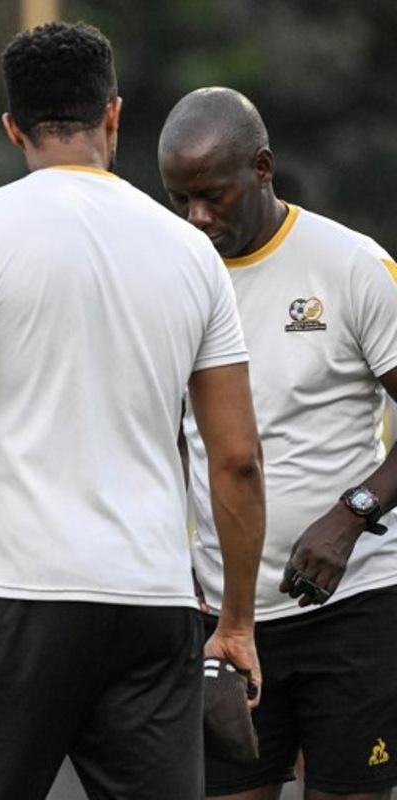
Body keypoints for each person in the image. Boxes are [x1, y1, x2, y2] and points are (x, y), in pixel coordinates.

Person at [0, 22, 266, 800]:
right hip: (153, 608)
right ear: (114, 116)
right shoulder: (192, 252)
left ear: (13, 127)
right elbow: (237, 459)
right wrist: (236, 624)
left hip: (19, 600)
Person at [159, 87, 397, 800]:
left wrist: (350, 515)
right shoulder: (171, 277)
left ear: (261, 167)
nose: (198, 219)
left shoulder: (351, 266)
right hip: (224, 618)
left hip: (354, 605)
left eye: (213, 196)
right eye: (180, 201)